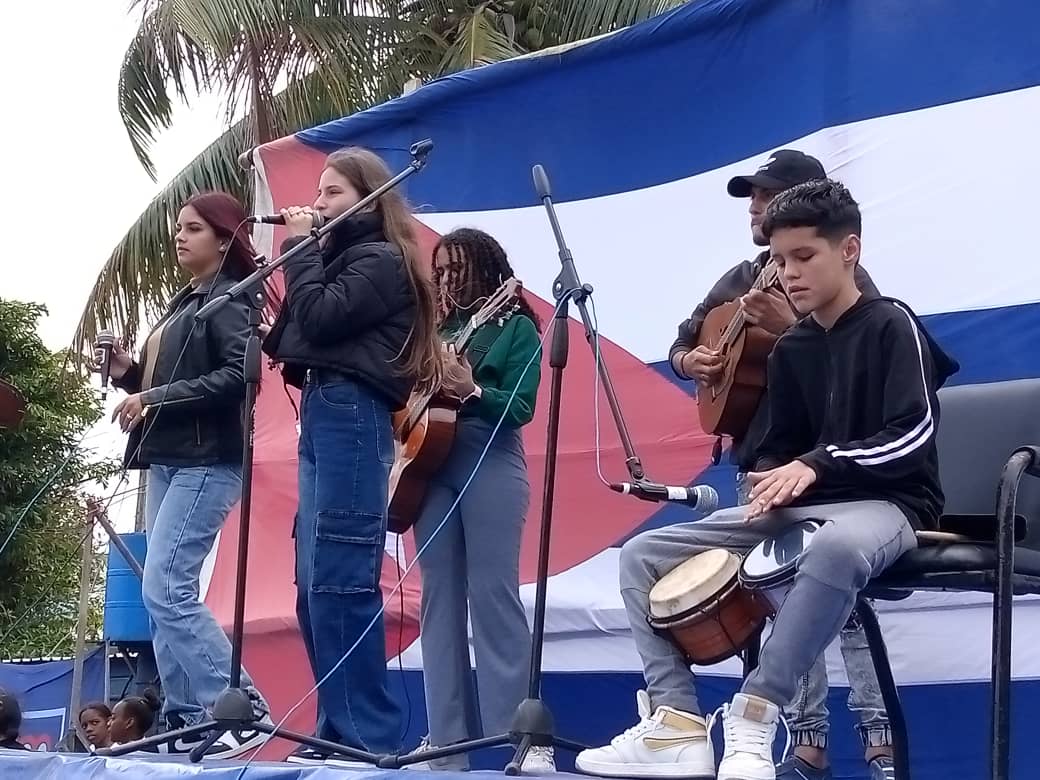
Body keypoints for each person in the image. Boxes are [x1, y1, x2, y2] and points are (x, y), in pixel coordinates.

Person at [575, 179, 958, 780]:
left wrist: (814, 465)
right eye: (780, 261)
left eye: (804, 257)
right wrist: (765, 473)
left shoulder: (892, 323)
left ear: (849, 250)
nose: (789, 274)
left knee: (834, 545)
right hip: (802, 509)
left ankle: (755, 714)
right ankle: (676, 724)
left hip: (888, 505)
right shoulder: (792, 349)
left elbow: (912, 433)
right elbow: (779, 446)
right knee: (643, 555)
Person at [668, 151, 893, 778]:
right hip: (760, 457)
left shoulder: (844, 281)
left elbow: (858, 362)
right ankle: (806, 742)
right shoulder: (742, 276)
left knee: (842, 604)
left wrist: (794, 322)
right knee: (780, 603)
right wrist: (699, 364)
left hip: (831, 461)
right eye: (752, 198)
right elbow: (685, 338)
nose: (755, 207)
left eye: (767, 196)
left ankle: (880, 741)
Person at [262, 147, 442, 765]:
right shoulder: (342, 259)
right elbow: (295, 332)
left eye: (332, 193)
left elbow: (320, 316)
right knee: (312, 583)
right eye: (317, 193)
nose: (317, 204)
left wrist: (307, 250)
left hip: (352, 412)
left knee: (340, 577)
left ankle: (367, 733)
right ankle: (337, 727)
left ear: (369, 196)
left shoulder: (385, 259)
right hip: (322, 411)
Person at [99, 191, 269, 758]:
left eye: (193, 228)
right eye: (178, 227)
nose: (179, 236)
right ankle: (191, 714)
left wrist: (152, 393)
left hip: (207, 459)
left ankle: (241, 705)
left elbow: (232, 380)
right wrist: (130, 374)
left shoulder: (231, 300)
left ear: (224, 238)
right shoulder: (185, 301)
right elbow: (165, 381)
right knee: (162, 594)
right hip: (170, 458)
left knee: (165, 587)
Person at [404, 228, 550, 773]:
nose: (446, 280)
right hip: (429, 461)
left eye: (457, 270)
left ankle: (521, 740)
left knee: (493, 595)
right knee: (438, 600)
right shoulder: (435, 330)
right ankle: (445, 743)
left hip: (489, 457)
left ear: (487, 271)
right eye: (439, 271)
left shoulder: (513, 326)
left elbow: (520, 407)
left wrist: (472, 389)